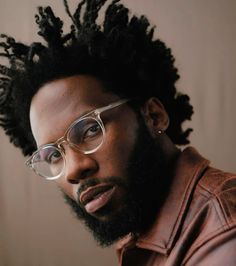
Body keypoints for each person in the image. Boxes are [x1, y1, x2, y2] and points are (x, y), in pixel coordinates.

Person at [0, 0, 235, 265]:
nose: (74, 170)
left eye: (89, 129)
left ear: (153, 115)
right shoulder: (143, 231)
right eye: (54, 155)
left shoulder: (223, 236)